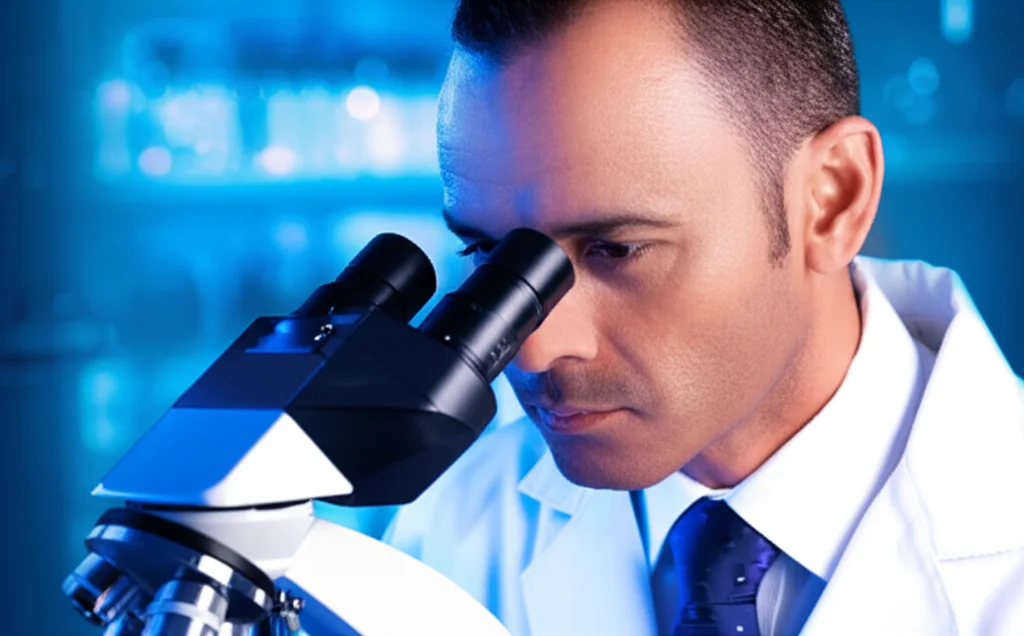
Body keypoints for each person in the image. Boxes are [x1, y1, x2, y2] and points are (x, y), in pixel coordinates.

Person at [382, 1, 1024, 634]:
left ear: (832, 200)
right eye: (488, 254)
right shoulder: (442, 536)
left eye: (616, 250)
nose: (532, 349)